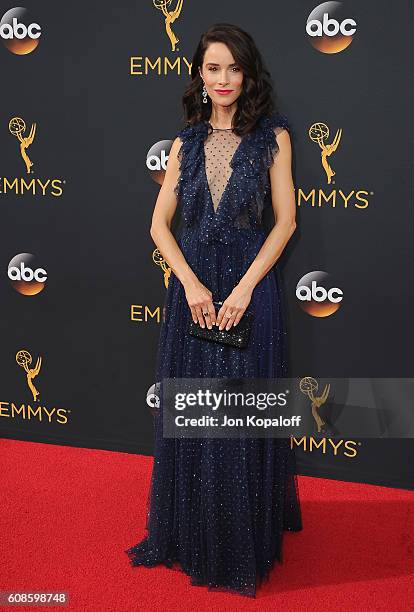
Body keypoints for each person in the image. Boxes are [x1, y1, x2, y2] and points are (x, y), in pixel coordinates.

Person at [126, 22, 303, 598]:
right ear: (199, 76)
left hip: (250, 290)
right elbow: (159, 225)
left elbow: (286, 222)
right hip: (195, 294)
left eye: (233, 68)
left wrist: (248, 287)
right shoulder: (185, 144)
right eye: (212, 68)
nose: (223, 79)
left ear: (247, 73)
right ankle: (193, 535)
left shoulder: (274, 138)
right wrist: (192, 286)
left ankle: (241, 537)